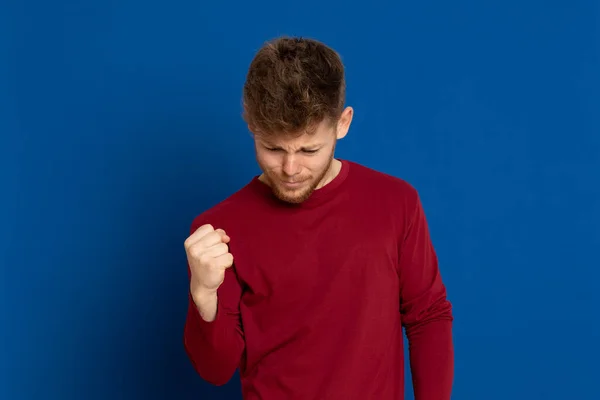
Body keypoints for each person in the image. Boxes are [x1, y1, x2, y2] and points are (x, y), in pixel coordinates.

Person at [183, 36, 454, 400]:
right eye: (273, 148)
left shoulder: (395, 202)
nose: (290, 168)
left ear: (343, 124)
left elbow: (428, 317)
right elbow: (216, 371)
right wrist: (204, 293)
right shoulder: (218, 231)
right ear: (250, 125)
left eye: (309, 149)